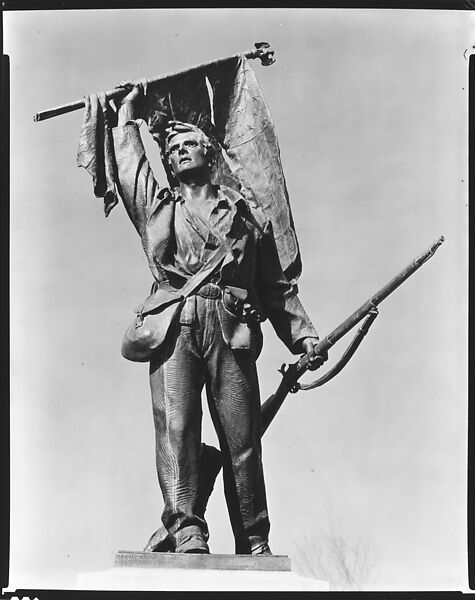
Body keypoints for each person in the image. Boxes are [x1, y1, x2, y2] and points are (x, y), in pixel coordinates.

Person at [111, 82, 327, 555]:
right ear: (168, 163)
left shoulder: (245, 218)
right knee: (178, 431)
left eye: (191, 144)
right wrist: (126, 116)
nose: (182, 151)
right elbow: (130, 170)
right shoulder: (159, 207)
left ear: (209, 155)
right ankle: (187, 529)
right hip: (177, 325)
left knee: (243, 440)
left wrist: (304, 335)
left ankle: (254, 539)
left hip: (232, 326)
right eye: (174, 149)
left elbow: (273, 288)